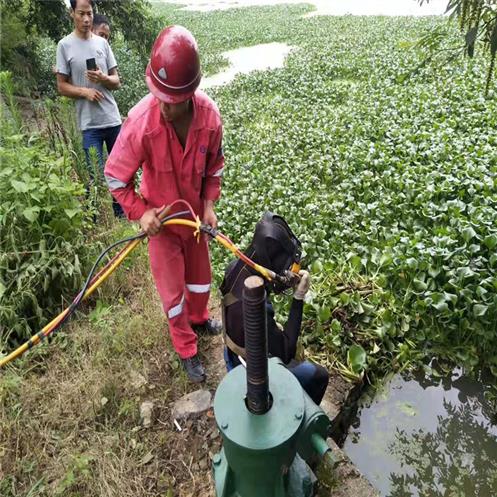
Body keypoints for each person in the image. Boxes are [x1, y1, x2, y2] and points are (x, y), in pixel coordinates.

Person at [104, 26, 224, 383]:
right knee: (173, 294)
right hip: (164, 228)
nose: (163, 106)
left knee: (201, 281)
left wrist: (209, 206)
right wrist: (142, 214)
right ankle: (186, 348)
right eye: (157, 96)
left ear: (190, 94)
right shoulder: (141, 123)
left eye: (171, 101)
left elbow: (214, 167)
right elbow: (115, 177)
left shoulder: (210, 119)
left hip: (195, 225)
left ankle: (200, 320)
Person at [220, 212, 329, 406]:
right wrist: (298, 297)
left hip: (231, 350)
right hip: (248, 369)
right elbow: (286, 352)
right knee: (319, 375)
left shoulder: (235, 267)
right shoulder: (256, 307)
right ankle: (298, 418)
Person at [56, 0, 124, 218]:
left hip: (112, 119)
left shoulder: (102, 44)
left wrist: (103, 78)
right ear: (72, 13)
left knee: (120, 171)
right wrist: (84, 92)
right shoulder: (64, 46)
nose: (86, 19)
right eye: (81, 14)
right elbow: (61, 86)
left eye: (90, 14)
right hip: (89, 123)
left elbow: (117, 81)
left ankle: (121, 214)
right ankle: (95, 218)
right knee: (93, 174)